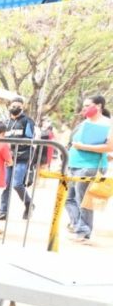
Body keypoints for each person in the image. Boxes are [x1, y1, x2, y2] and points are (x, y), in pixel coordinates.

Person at [65, 95, 113, 243]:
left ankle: (84, 231)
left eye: (87, 105)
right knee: (69, 199)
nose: (84, 108)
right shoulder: (84, 123)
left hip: (89, 167)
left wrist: (82, 146)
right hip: (73, 164)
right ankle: (78, 225)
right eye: (83, 106)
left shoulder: (107, 124)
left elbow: (109, 147)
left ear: (98, 106)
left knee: (83, 200)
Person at [0, 97, 36, 221]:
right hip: (8, 158)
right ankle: (3, 211)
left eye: (17, 106)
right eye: (13, 106)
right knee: (5, 185)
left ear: (22, 107)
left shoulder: (27, 121)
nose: (14, 108)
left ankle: (29, 203)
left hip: (22, 158)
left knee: (17, 184)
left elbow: (30, 139)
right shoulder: (6, 123)